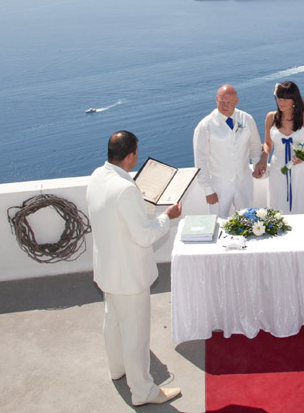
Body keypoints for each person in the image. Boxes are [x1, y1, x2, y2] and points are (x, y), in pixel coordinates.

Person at [85, 130, 183, 407]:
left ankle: (117, 369)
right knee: (136, 335)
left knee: (113, 323)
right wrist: (166, 216)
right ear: (130, 156)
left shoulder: (97, 176)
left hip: (107, 269)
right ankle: (143, 391)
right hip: (129, 275)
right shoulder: (126, 189)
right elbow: (144, 236)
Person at [193, 84, 267, 217]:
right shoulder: (205, 125)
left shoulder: (247, 119)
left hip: (244, 179)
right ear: (216, 99)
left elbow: (255, 146)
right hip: (219, 182)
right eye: (221, 102)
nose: (225, 106)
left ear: (236, 101)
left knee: (248, 219)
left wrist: (257, 166)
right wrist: (208, 189)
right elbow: (200, 159)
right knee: (218, 221)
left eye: (229, 102)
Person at [262, 81, 304, 213]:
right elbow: (268, 143)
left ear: (294, 99)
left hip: (300, 168)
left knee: (302, 203)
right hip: (278, 168)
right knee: (278, 202)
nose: (282, 101)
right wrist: (263, 159)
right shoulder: (271, 117)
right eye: (279, 97)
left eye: (286, 98)